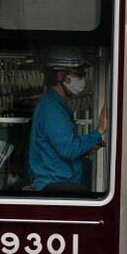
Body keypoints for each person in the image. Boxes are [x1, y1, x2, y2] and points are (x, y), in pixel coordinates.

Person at [28, 47, 109, 193]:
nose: (82, 79)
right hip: (56, 188)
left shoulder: (55, 106)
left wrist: (85, 149)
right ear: (60, 75)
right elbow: (69, 149)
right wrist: (99, 131)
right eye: (78, 75)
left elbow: (58, 150)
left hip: (58, 186)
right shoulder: (52, 109)